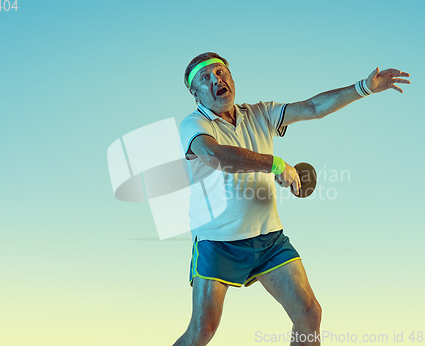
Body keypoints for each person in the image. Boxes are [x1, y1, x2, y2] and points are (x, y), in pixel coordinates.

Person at [174, 52, 410, 346]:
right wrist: (274, 165)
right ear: (195, 93)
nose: (216, 80)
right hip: (218, 243)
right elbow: (214, 155)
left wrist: (363, 87)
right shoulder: (194, 124)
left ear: (232, 78)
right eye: (205, 78)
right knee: (202, 331)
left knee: (309, 314)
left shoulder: (260, 114)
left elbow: (312, 107)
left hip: (269, 240)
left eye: (221, 72)